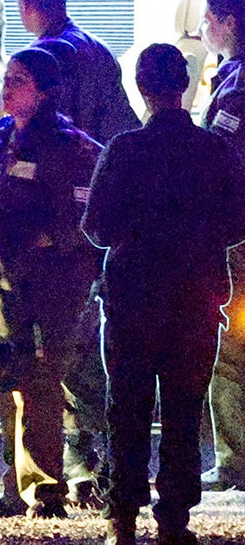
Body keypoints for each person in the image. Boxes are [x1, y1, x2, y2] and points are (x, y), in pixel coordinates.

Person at [83, 43, 245, 545]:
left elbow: (98, 226)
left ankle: (123, 514)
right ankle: (175, 515)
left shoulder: (126, 149)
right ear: (187, 85)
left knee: (127, 402)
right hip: (196, 291)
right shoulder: (213, 150)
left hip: (133, 292)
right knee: (183, 404)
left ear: (142, 88)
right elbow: (238, 219)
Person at [0, 48, 104, 519]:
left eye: (21, 79)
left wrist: (45, 240)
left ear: (45, 90)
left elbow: (84, 219)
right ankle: (15, 485)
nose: (9, 86)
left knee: (42, 381)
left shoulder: (71, 146)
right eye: (7, 77)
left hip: (52, 284)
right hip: (1, 281)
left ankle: (47, 488)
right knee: (4, 378)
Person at [198, 0, 245, 491]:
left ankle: (234, 460)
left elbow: (220, 157)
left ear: (229, 22)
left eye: (208, 19)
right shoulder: (229, 77)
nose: (202, 29)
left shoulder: (237, 85)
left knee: (229, 347)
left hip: (235, 236)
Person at [16, 0, 140, 143]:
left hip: (63, 164)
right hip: (108, 161)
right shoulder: (101, 49)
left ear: (25, 4)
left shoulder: (38, 60)